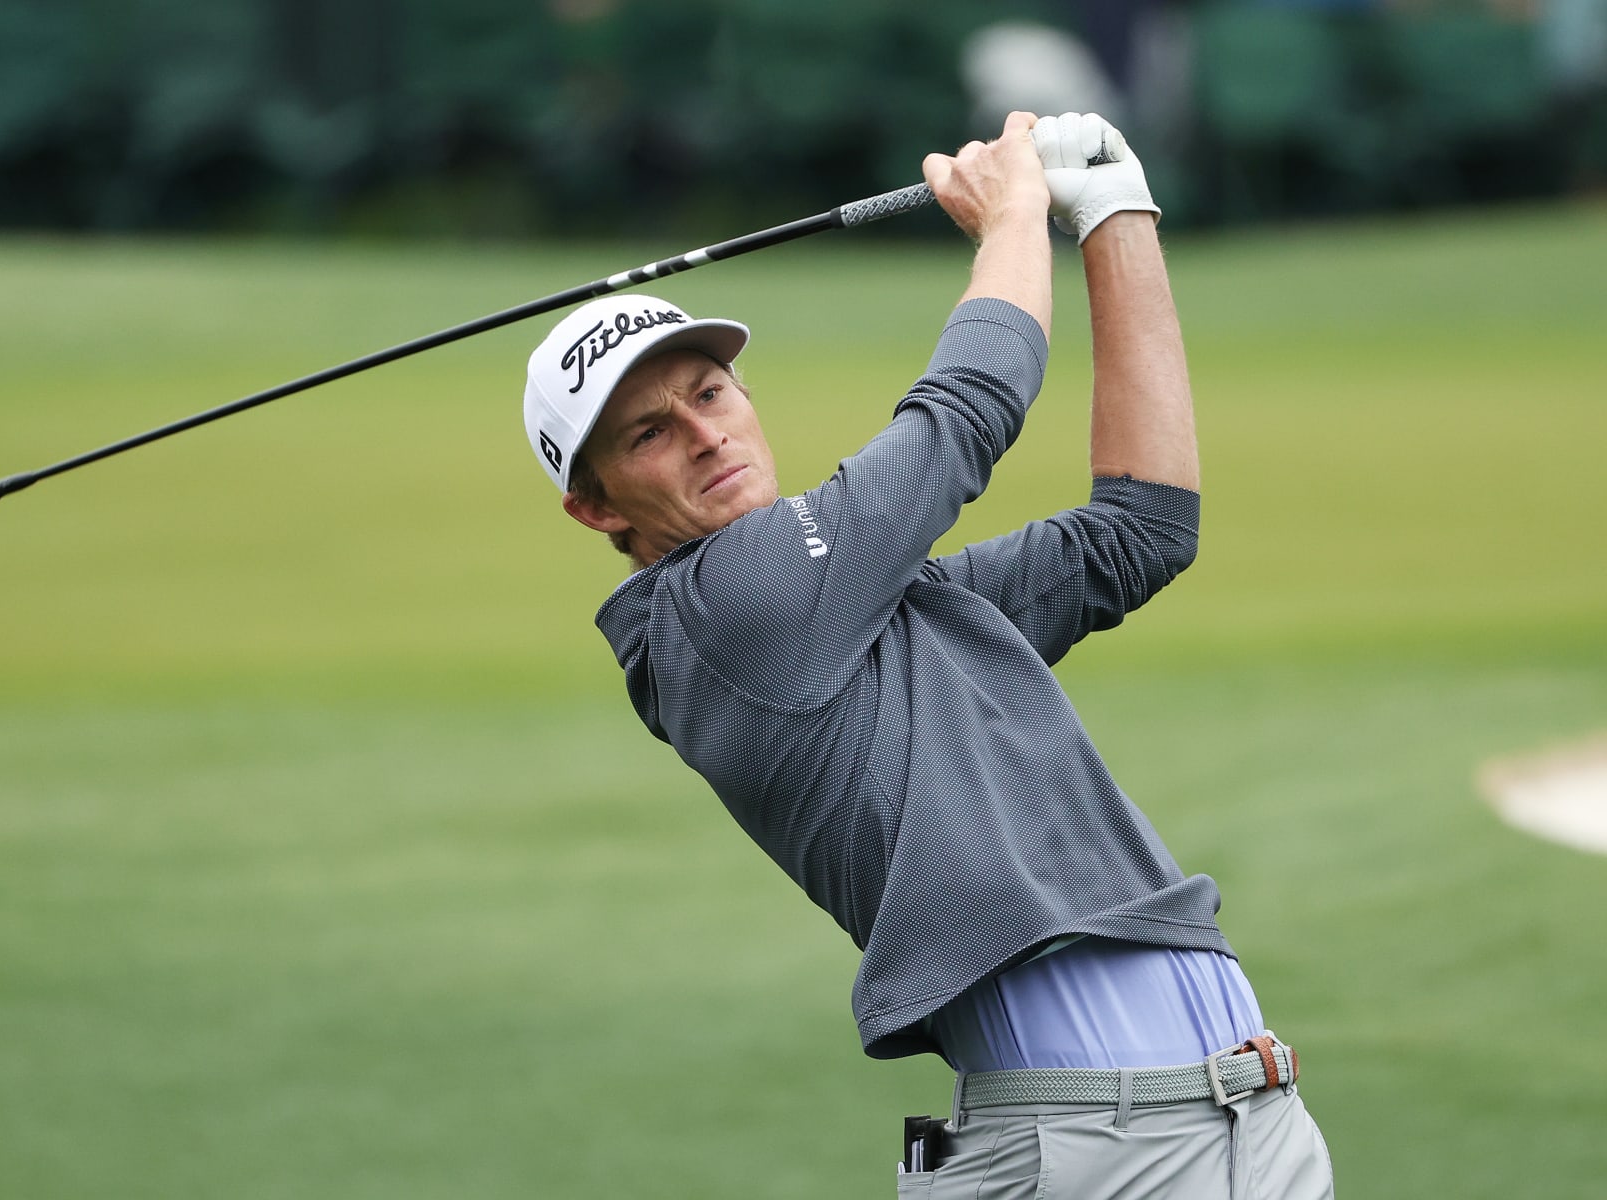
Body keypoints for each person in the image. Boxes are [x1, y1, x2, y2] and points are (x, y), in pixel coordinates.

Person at [521, 111, 1334, 1199]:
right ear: (594, 510)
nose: (706, 433)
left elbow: (1143, 530)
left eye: (709, 393)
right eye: (648, 432)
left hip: (1244, 1123)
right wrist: (1012, 216)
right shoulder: (732, 608)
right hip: (1095, 1156)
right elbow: (966, 412)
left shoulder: (871, 611)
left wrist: (1114, 213)